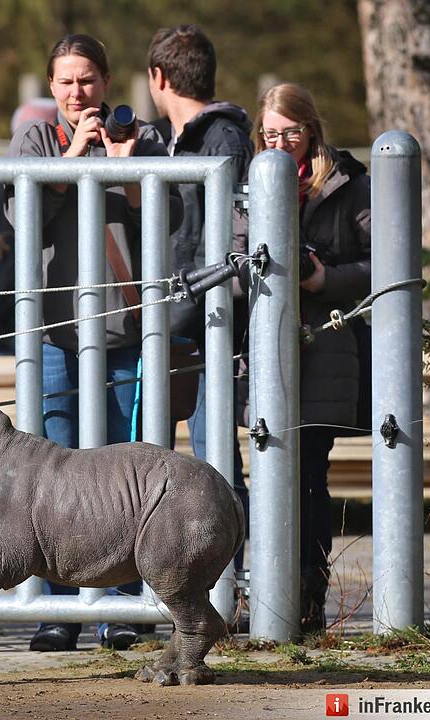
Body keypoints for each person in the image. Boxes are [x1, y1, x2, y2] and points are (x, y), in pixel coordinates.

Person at [4, 34, 182, 653]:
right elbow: (15, 219)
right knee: (53, 474)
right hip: (59, 333)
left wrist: (126, 167)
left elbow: (172, 221)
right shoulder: (36, 140)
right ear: (51, 87)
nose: (78, 93)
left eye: (88, 81)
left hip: (127, 331)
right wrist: (69, 160)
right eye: (66, 82)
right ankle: (60, 610)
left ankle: (127, 604)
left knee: (125, 475)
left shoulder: (143, 135)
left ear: (107, 82)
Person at [235, 83, 371, 635]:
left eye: (290, 131)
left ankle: (309, 596)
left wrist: (322, 278)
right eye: (270, 134)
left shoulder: (349, 183)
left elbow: (378, 266)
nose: (281, 142)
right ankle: (266, 592)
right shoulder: (248, 182)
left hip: (326, 349)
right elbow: (238, 258)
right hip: (265, 350)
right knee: (265, 471)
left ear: (311, 129)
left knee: (309, 476)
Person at [145, 23, 250, 575]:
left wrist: (169, 309)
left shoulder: (223, 139)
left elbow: (224, 240)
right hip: (176, 320)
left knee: (215, 466)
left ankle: (226, 588)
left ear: (157, 77)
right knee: (153, 464)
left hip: (207, 321)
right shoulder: (169, 140)